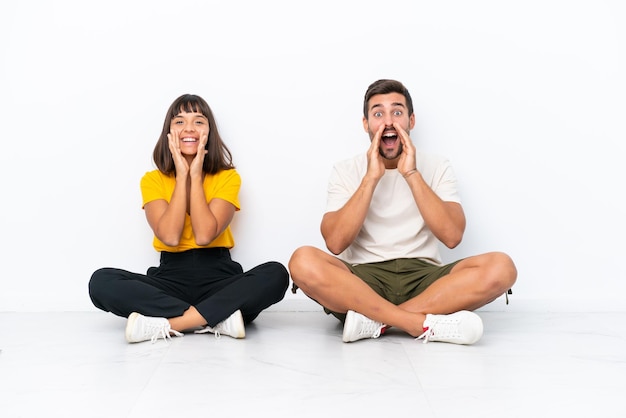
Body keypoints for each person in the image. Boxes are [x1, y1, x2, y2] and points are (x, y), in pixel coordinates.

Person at [288, 79, 517, 345]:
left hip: (426, 279)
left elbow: (453, 236)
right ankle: (417, 323)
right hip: (362, 282)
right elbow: (335, 243)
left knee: (502, 267)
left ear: (411, 120)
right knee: (302, 260)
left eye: (397, 112)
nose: (388, 122)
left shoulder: (437, 166)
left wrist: (411, 173)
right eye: (378, 113)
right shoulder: (345, 170)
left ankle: (376, 322)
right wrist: (371, 178)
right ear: (366, 124)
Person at [89, 94, 289, 344]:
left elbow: (205, 235)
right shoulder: (153, 180)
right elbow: (170, 237)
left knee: (276, 274)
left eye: (199, 121)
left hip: (220, 277)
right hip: (170, 278)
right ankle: (218, 316)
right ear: (169, 133)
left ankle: (174, 323)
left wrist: (196, 173)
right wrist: (182, 174)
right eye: (180, 122)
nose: (189, 129)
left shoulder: (228, 177)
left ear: (210, 132)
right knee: (101, 281)